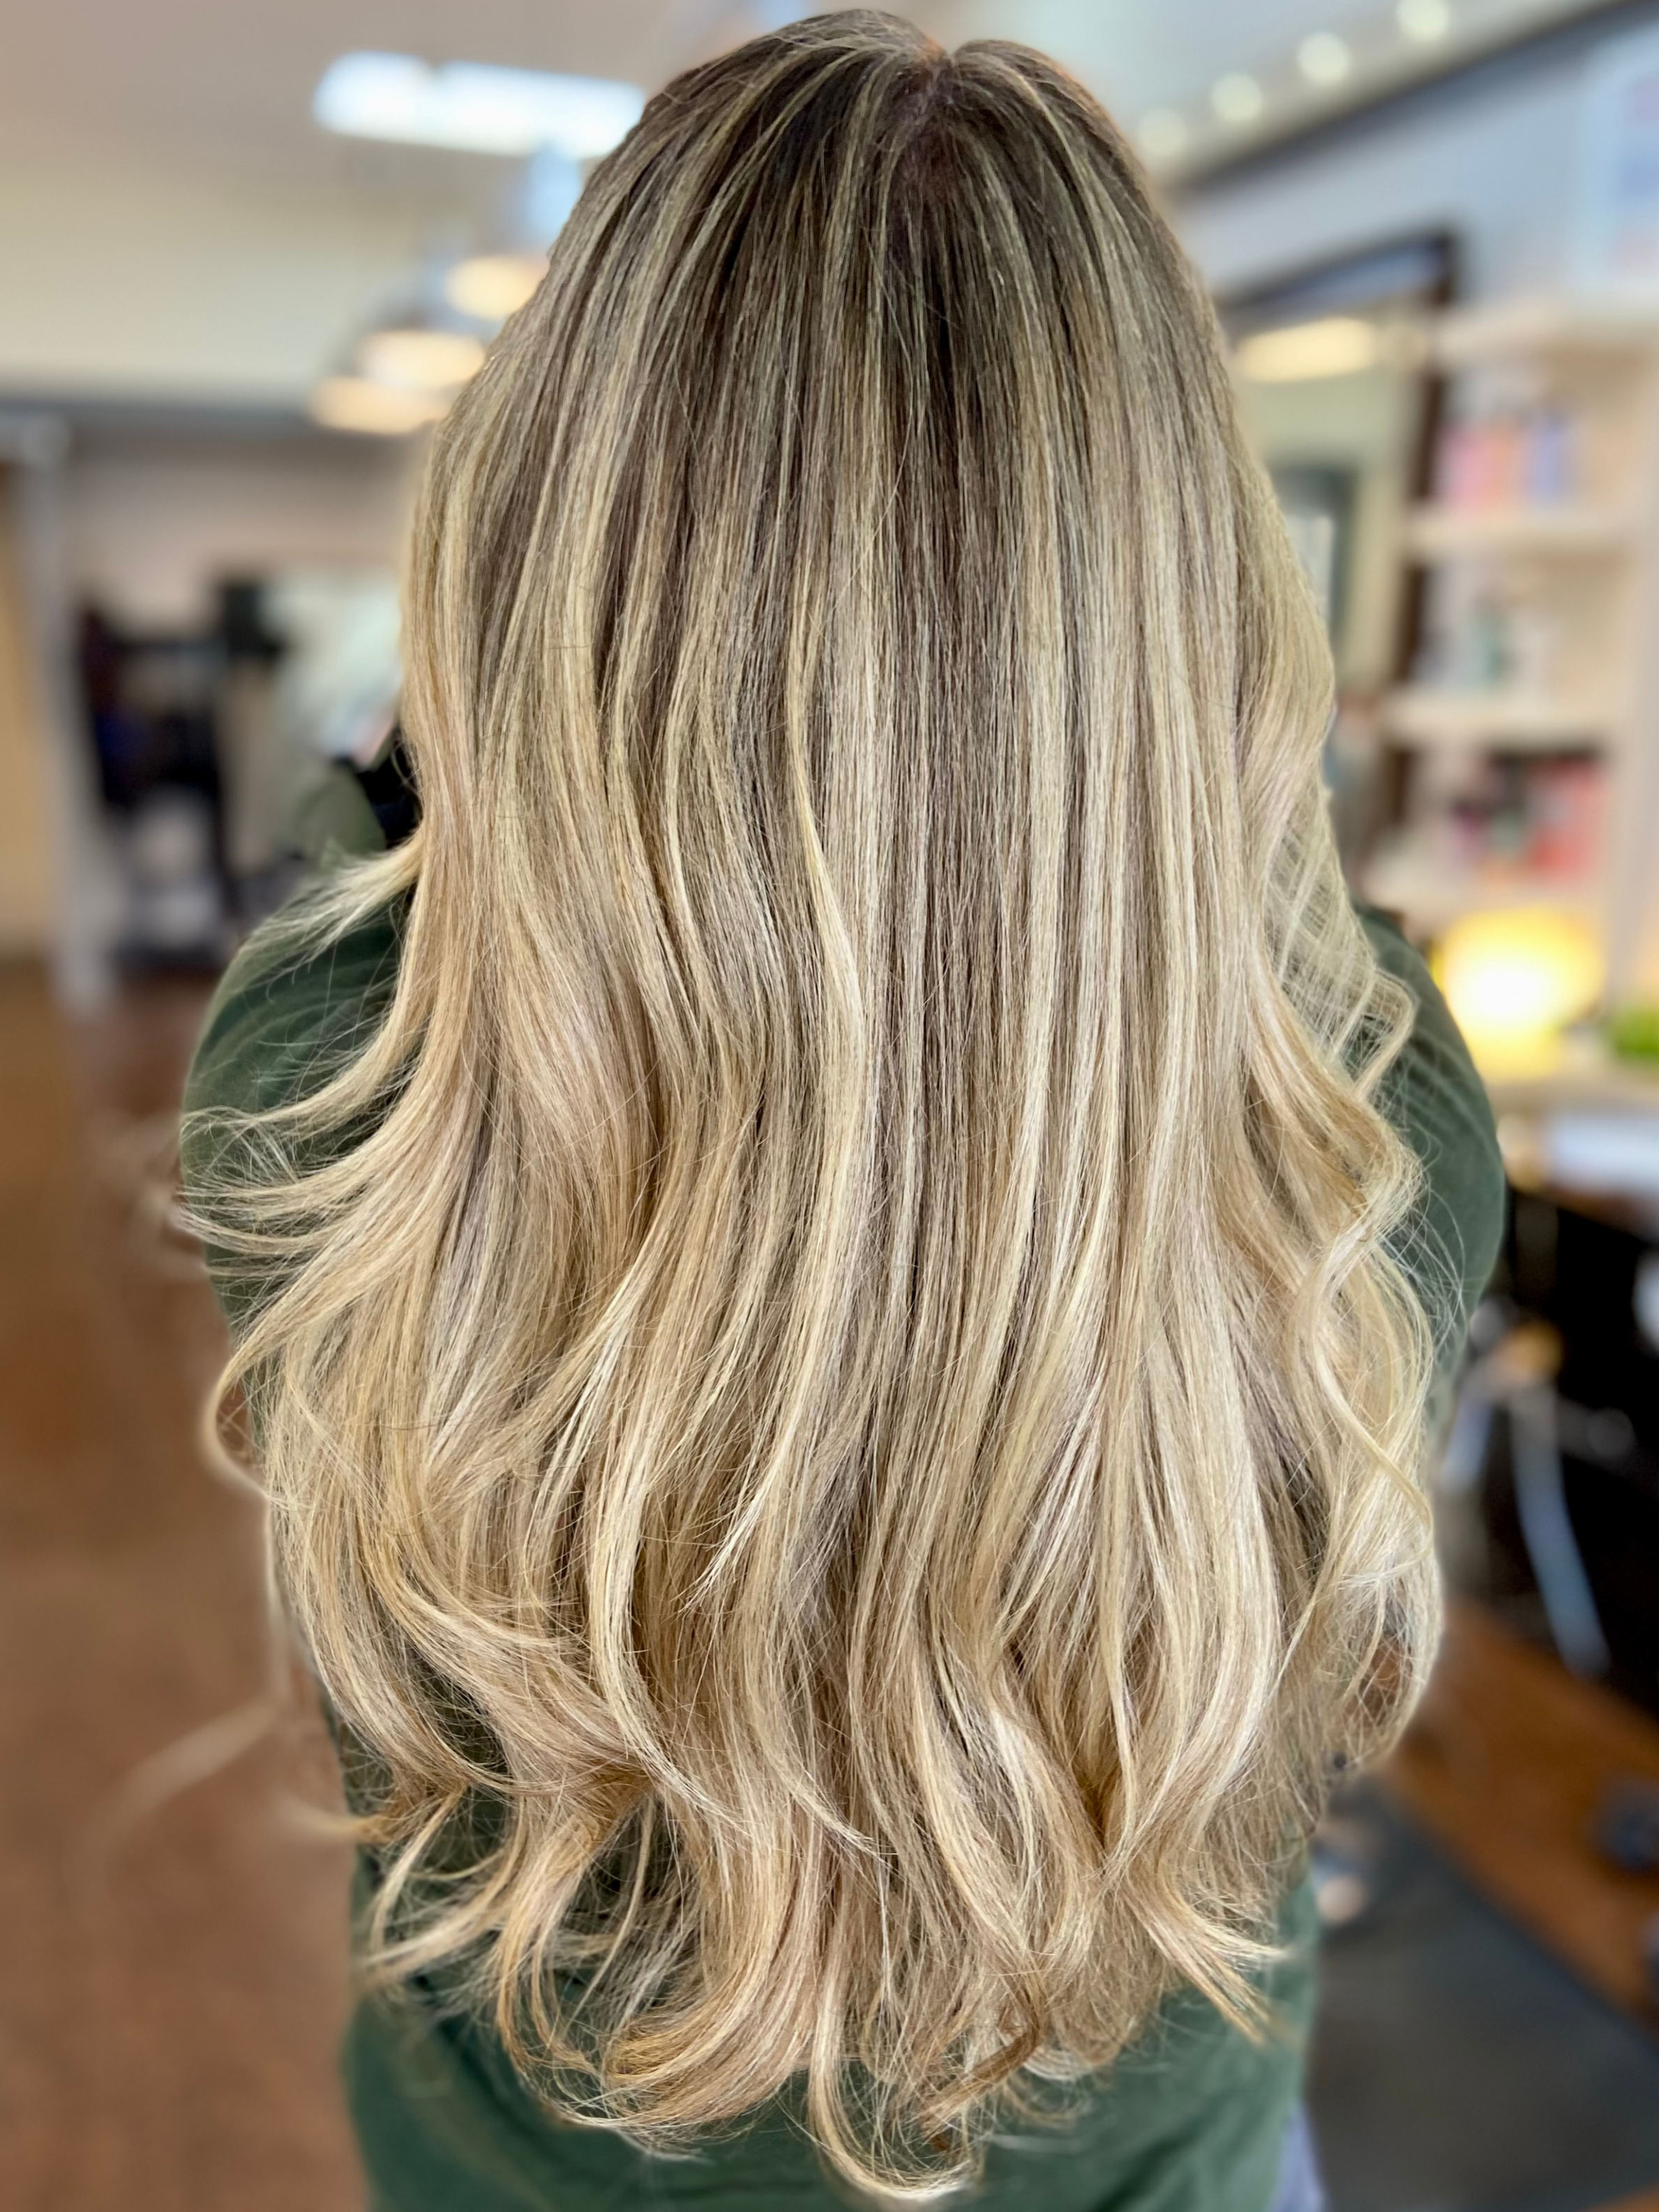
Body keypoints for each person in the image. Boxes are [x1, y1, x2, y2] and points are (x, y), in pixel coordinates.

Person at [181, 16, 1505, 2210]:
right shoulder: (1381, 1140)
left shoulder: (315, 1087)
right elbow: (1287, 911)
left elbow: (378, 810)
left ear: (532, 556)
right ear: (1198, 610)